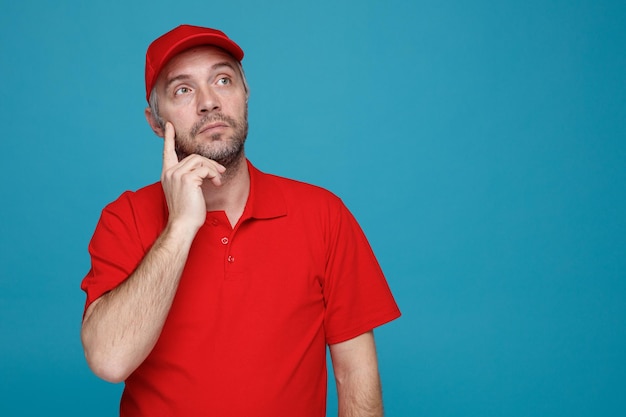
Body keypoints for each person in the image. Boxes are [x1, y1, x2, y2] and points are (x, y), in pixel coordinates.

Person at [80, 24, 401, 417]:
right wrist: (180, 227)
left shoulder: (323, 215)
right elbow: (110, 361)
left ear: (245, 95)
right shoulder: (125, 218)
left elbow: (355, 377)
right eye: (183, 89)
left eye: (223, 79)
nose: (208, 102)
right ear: (154, 121)